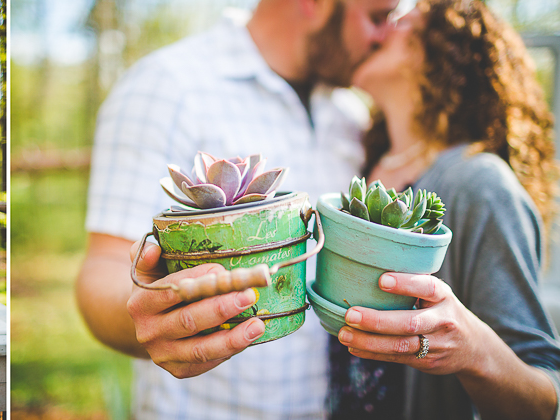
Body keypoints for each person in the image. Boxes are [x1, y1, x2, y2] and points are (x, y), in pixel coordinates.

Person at [77, 0, 400, 417]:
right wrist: (158, 319)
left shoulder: (351, 115)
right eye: (378, 16)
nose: (387, 35)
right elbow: (102, 270)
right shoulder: (167, 87)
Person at [332, 1, 560, 419]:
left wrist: (473, 351)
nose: (377, 31)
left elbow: (544, 399)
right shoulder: (360, 164)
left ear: (443, 51)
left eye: (398, 21)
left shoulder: (481, 184)